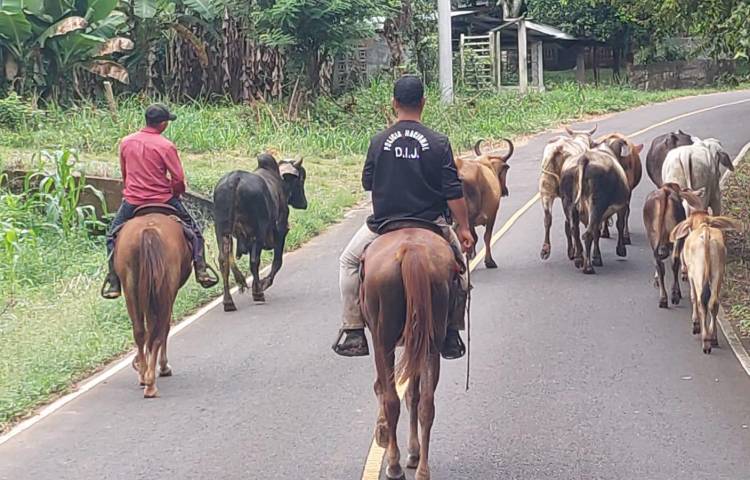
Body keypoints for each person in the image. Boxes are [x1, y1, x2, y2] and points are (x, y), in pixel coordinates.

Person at [332, 75, 474, 359]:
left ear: (394, 103)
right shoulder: (438, 142)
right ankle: (451, 332)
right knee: (461, 273)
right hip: (431, 223)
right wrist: (465, 228)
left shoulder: (378, 141)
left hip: (385, 225)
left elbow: (367, 183)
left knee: (348, 261)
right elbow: (452, 192)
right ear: (423, 103)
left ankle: (354, 328)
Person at [101, 103, 218, 299]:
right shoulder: (166, 145)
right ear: (162, 124)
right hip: (163, 199)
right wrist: (176, 193)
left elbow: (125, 174)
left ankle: (113, 280)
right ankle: (201, 268)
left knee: (112, 237)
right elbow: (179, 179)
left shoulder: (126, 142)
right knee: (195, 232)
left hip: (133, 201)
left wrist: (131, 191)